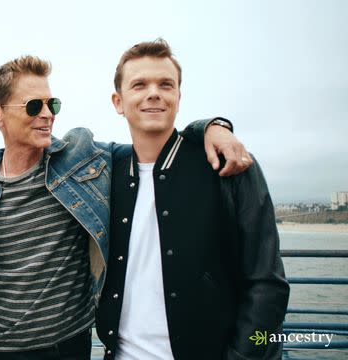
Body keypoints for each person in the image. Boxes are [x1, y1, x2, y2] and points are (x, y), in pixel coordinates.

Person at [0, 57, 250, 360]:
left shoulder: (81, 157)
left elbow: (152, 142)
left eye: (51, 104)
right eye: (34, 106)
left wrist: (210, 127)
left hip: (68, 347)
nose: (47, 116)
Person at [95, 39, 289, 360]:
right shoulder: (105, 172)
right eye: (139, 84)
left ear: (178, 97)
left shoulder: (230, 165)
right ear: (118, 101)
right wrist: (209, 125)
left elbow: (268, 286)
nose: (154, 92)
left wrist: (244, 356)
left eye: (165, 84)